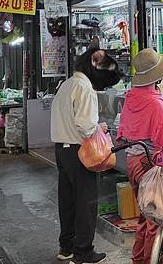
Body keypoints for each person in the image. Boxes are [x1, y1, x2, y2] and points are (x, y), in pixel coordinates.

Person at [117, 48, 163, 264]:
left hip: (133, 164)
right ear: (158, 77)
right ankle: (150, 260)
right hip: (149, 166)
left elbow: (122, 137)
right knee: (156, 220)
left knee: (145, 215)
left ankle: (138, 259)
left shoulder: (131, 99)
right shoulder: (156, 104)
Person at [51, 41, 121, 264]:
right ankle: (83, 252)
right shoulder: (84, 88)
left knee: (68, 200)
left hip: (62, 149)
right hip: (79, 150)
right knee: (86, 202)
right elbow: (85, 125)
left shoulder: (67, 84)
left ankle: (67, 248)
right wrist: (99, 127)